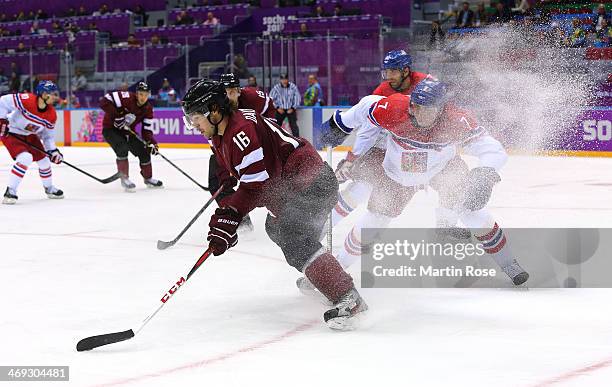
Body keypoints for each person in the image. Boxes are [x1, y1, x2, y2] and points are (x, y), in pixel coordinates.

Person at [181, 80, 368, 330]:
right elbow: (237, 178)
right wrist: (227, 214)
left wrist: (231, 216)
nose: (194, 126)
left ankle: (349, 297)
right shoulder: (219, 134)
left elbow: (256, 187)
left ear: (214, 110)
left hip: (312, 183)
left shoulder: (240, 132)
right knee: (277, 228)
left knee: (292, 234)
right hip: (291, 189)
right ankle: (324, 276)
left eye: (196, 118)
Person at [319, 79, 529, 286]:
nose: (417, 112)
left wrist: (485, 174)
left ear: (441, 109)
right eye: (415, 106)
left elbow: (493, 149)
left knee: (471, 208)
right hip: (399, 174)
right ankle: (337, 268)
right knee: (377, 219)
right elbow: (366, 106)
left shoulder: (456, 120)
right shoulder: (394, 108)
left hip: (442, 169)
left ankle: (509, 264)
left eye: (426, 109)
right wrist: (341, 123)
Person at [331, 50, 433, 228]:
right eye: (386, 72)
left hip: (417, 149)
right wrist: (353, 159)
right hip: (389, 144)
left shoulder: (427, 84)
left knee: (388, 203)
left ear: (406, 70)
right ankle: (324, 224)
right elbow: (370, 127)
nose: (388, 76)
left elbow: (444, 116)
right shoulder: (383, 91)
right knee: (361, 185)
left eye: (393, 71)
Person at [207, 73, 277, 234]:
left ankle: (284, 214)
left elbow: (269, 106)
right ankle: (238, 218)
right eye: (224, 92)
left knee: (265, 181)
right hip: (228, 146)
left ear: (239, 91)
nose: (228, 96)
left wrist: (269, 133)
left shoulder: (253, 97)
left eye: (231, 92)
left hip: (255, 143)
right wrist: (228, 171)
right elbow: (215, 142)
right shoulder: (215, 107)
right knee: (216, 181)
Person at [0, 81, 63, 204]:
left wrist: (53, 151)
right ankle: (10, 191)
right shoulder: (27, 99)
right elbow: (3, 101)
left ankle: (49, 188)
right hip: (12, 132)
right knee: (25, 158)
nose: (56, 97)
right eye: (53, 94)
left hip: (30, 135)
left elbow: (48, 136)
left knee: (44, 161)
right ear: (44, 94)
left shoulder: (51, 115)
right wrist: (1, 119)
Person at [99, 81, 163, 191]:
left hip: (128, 132)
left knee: (145, 150)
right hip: (110, 130)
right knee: (122, 149)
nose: (143, 97)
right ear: (136, 93)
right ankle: (124, 178)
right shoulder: (126, 97)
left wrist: (151, 143)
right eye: (141, 94)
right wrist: (117, 116)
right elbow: (104, 101)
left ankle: (148, 178)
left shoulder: (148, 109)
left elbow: (146, 130)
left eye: (146, 95)